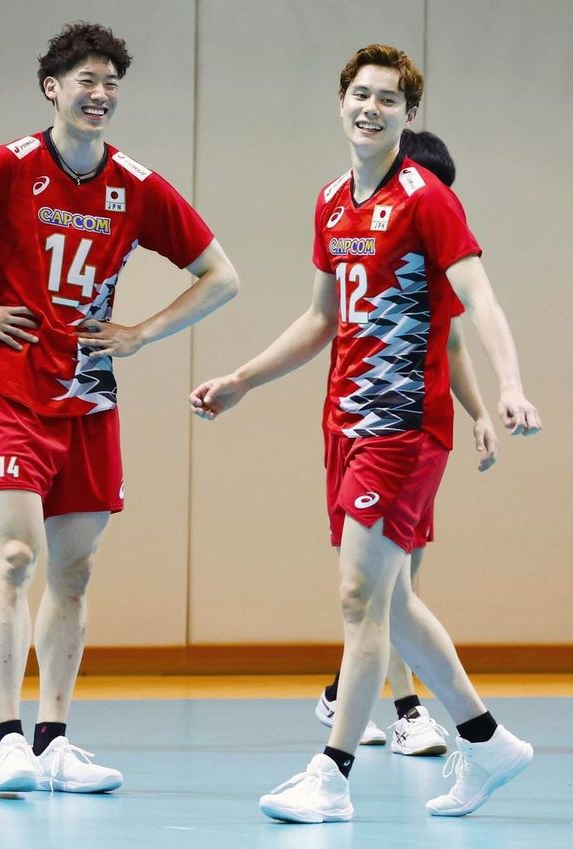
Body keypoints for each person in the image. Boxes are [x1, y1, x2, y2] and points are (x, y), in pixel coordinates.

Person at [0, 21, 238, 794]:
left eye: (111, 83)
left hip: (90, 394)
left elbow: (221, 275)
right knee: (15, 557)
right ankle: (7, 739)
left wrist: (141, 331)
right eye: (86, 81)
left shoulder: (135, 185)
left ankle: (53, 740)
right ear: (53, 88)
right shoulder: (6, 166)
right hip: (12, 386)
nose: (99, 94)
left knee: (73, 575)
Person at [190, 44, 540, 822]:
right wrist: (243, 377)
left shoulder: (426, 198)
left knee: (359, 597)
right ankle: (487, 743)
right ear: (340, 101)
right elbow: (321, 317)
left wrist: (506, 386)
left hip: (405, 425)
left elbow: (477, 300)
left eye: (387, 99)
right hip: (343, 419)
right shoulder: (329, 201)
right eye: (359, 93)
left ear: (406, 115)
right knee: (391, 600)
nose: (369, 107)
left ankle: (332, 773)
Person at [316, 129, 498, 757]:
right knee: (382, 593)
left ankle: (351, 697)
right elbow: (321, 318)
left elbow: (453, 340)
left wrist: (481, 410)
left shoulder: (433, 251)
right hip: (370, 424)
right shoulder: (351, 218)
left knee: (396, 589)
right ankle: (405, 709)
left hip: (417, 432)